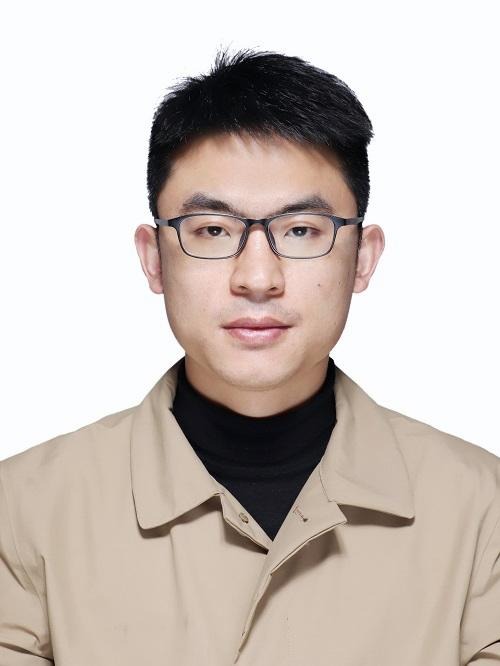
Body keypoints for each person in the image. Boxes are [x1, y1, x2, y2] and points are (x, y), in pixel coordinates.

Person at [1, 47, 499, 666]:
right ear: (154, 258)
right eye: (213, 230)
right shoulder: (22, 511)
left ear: (363, 258)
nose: (257, 278)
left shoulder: (482, 511)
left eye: (301, 231)